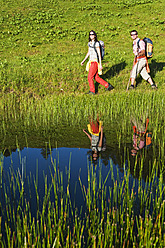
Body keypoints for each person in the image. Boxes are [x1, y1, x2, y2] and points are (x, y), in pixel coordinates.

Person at [81, 30, 114, 94]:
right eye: (90, 34)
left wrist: (100, 64)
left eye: (92, 34)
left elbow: (99, 54)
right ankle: (108, 86)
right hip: (91, 61)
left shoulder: (97, 44)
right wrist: (83, 61)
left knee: (89, 77)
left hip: (95, 62)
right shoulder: (89, 43)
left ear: (95, 35)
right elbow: (88, 53)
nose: (91, 36)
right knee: (96, 77)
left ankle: (92, 91)